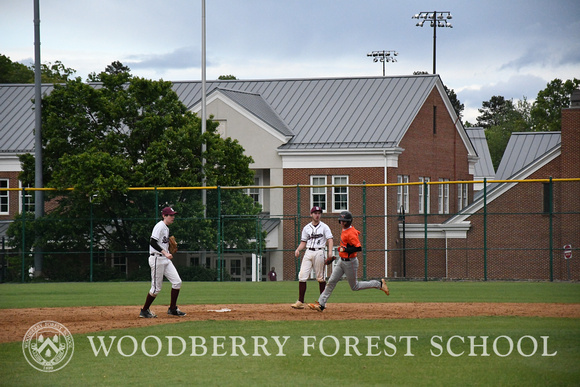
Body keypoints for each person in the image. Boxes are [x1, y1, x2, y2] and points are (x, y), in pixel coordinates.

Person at [308, 210, 389, 312]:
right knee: (332, 281)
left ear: (349, 222)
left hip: (350, 262)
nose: (342, 222)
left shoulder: (351, 233)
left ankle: (379, 284)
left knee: (355, 286)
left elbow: (358, 248)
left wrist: (345, 250)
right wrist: (341, 250)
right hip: (342, 261)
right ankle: (321, 304)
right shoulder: (345, 229)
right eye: (341, 220)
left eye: (344, 221)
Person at [139, 206, 186, 318]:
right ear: (164, 216)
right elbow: (152, 242)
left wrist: (168, 251)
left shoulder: (166, 228)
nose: (173, 217)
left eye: (173, 215)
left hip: (165, 259)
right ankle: (144, 311)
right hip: (157, 259)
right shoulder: (159, 226)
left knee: (177, 282)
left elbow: (161, 243)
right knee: (156, 288)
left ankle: (173, 308)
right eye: (170, 215)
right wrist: (165, 253)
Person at [291, 206, 333, 309]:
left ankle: (322, 302)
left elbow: (330, 239)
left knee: (320, 278)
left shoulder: (324, 227)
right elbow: (303, 242)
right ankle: (300, 302)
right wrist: (298, 249)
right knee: (302, 276)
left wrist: (330, 253)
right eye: (315, 213)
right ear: (311, 214)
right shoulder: (307, 228)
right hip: (308, 252)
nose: (317, 215)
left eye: (319, 213)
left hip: (319, 252)